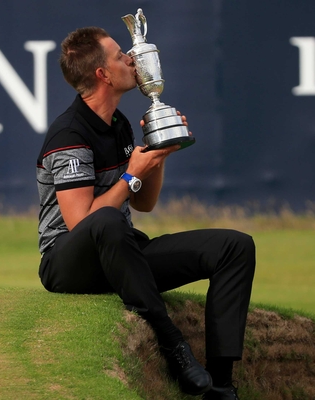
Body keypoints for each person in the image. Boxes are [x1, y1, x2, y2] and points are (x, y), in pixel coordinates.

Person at [36, 26, 255, 400]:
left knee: (235, 246)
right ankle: (171, 343)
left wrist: (158, 155)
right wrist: (130, 175)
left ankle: (221, 386)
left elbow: (143, 204)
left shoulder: (119, 125)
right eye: (121, 55)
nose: (131, 60)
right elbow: (82, 225)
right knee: (105, 220)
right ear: (103, 75)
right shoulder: (68, 135)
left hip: (123, 255)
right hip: (68, 264)